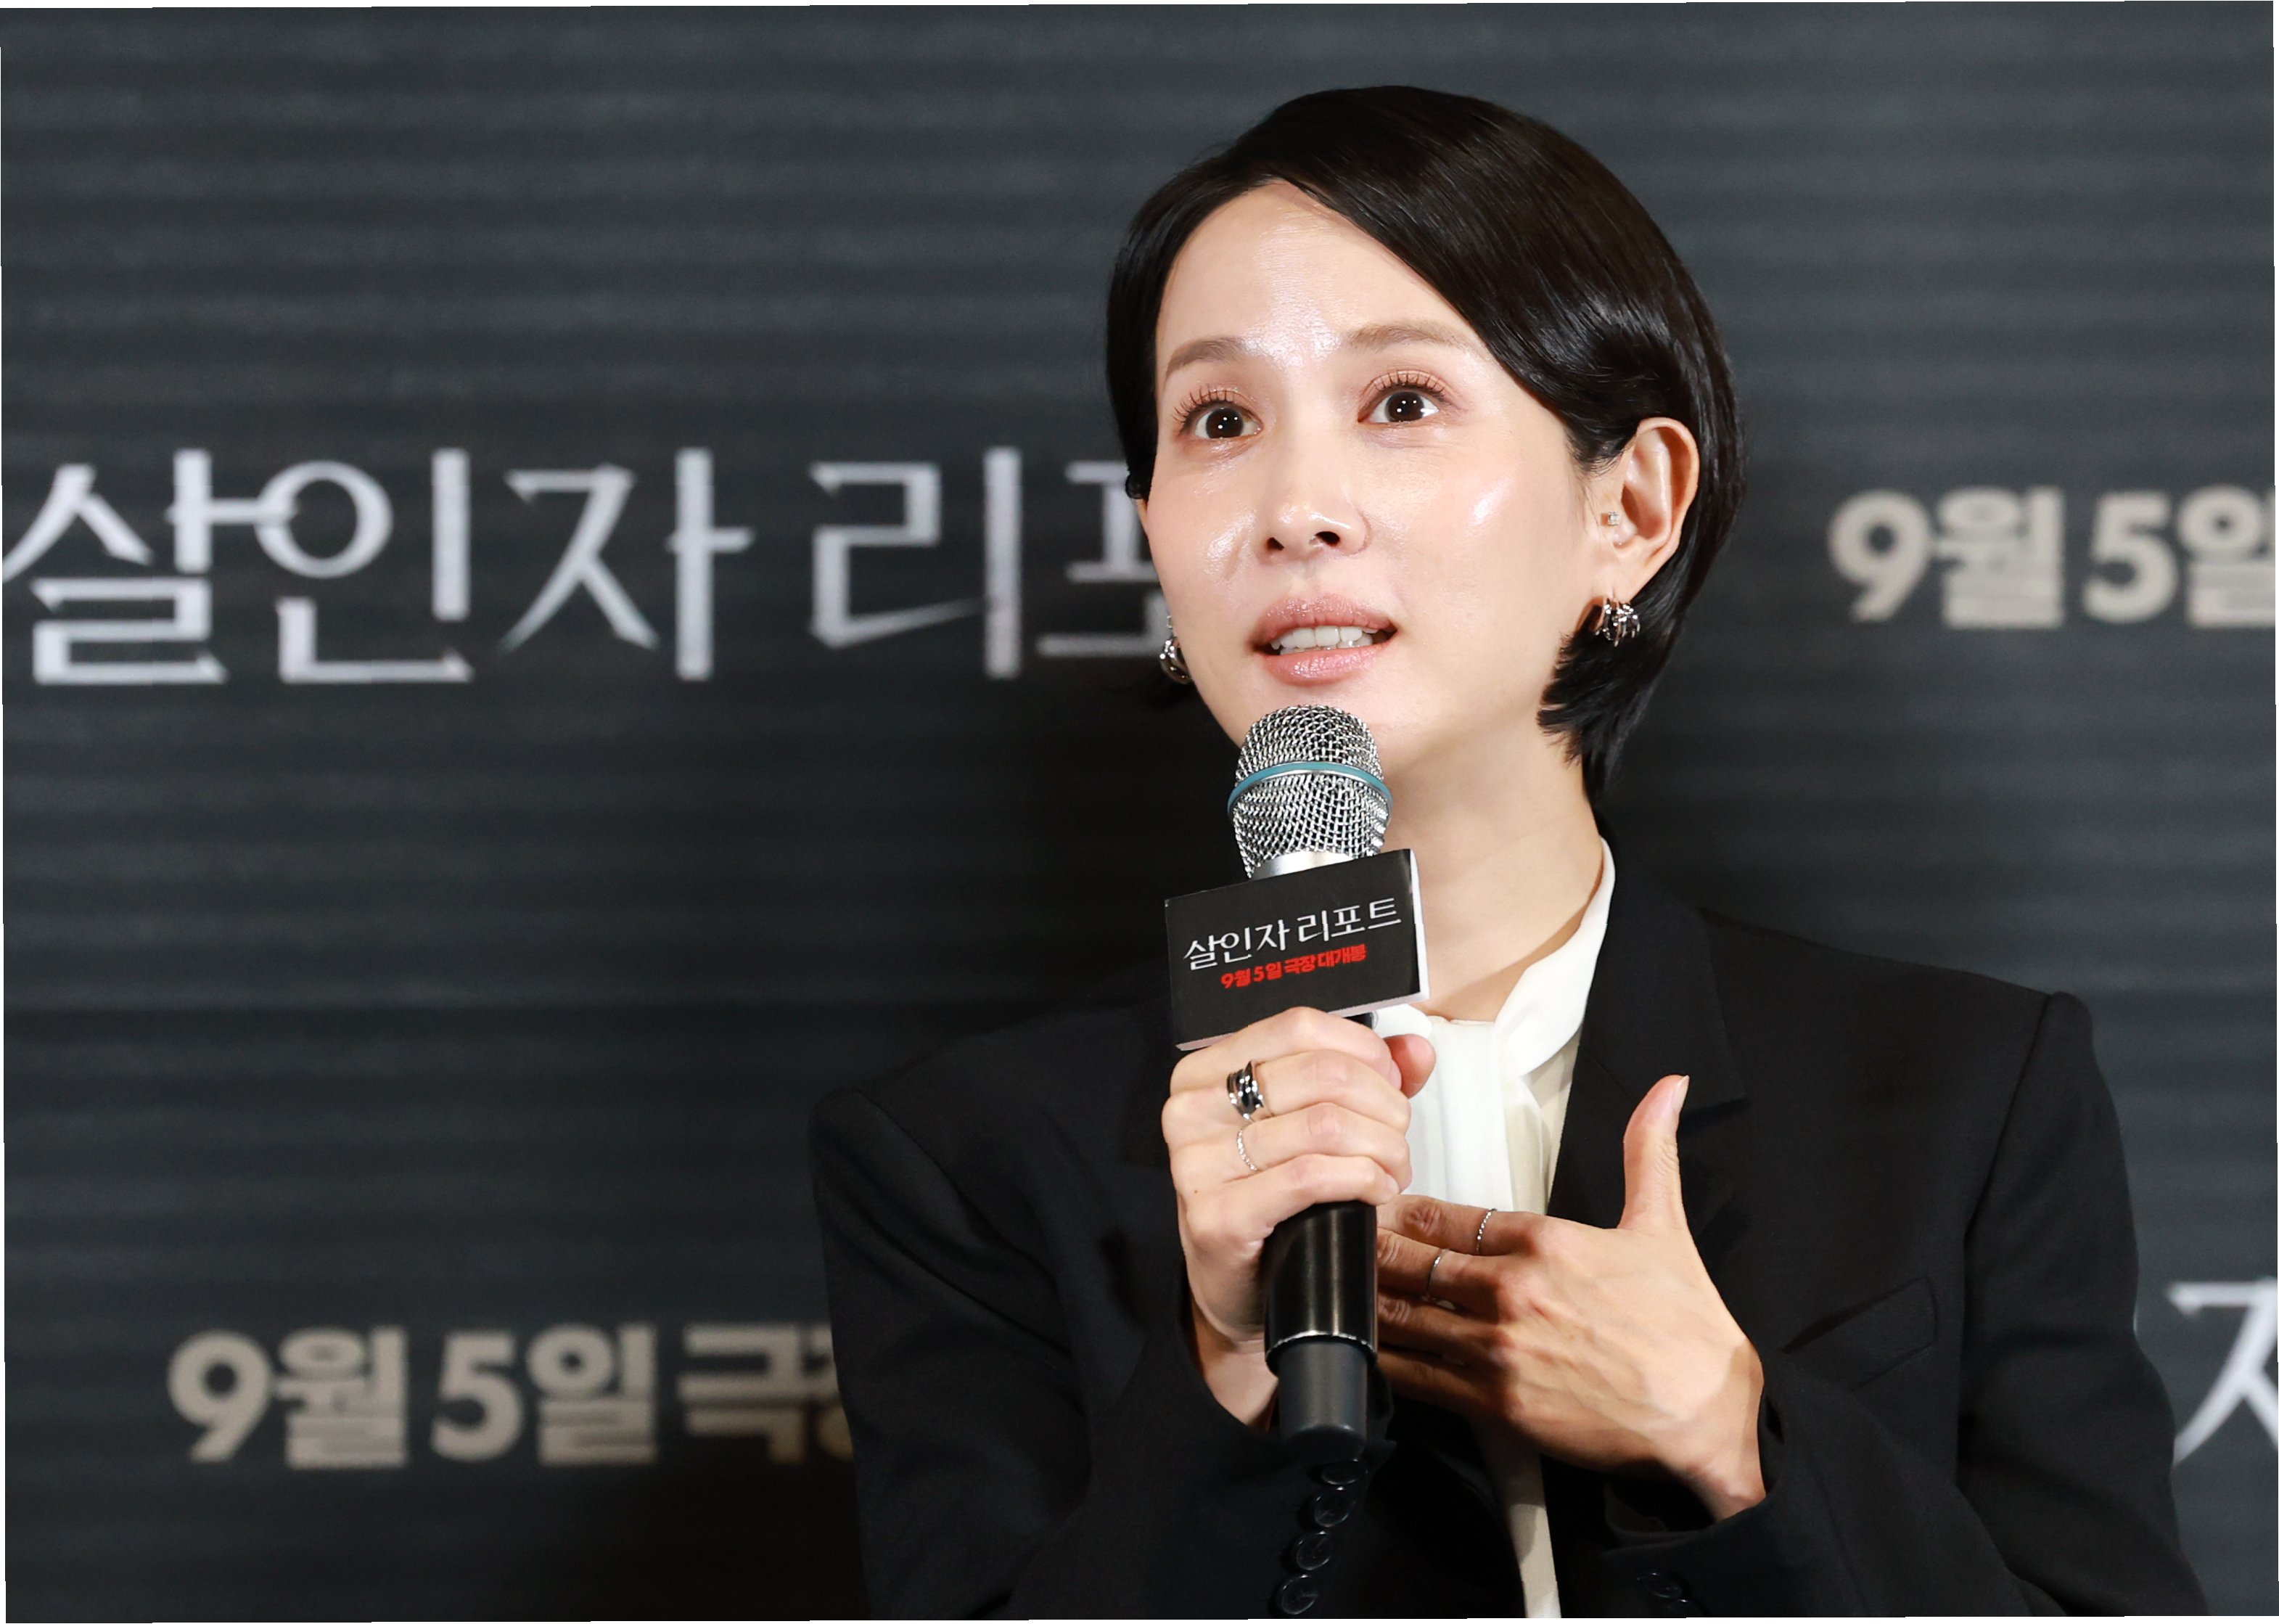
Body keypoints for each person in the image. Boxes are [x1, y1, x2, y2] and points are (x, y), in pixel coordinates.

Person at [810, 86, 2203, 1617]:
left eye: (1401, 402)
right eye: (1217, 421)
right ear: (1149, 521)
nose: (1294, 508)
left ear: (1631, 506)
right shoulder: (965, 1156)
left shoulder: (1959, 1092)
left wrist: (1731, 1439)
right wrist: (1226, 1370)